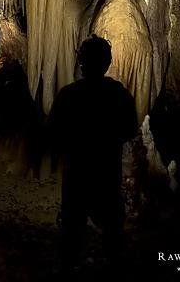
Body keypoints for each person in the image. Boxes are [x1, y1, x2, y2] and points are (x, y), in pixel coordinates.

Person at [47, 34, 136, 273]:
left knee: (72, 233)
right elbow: (130, 128)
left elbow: (54, 132)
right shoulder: (118, 94)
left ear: (82, 63)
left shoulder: (68, 95)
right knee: (112, 233)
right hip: (107, 174)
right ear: (107, 63)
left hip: (77, 175)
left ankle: (68, 267)